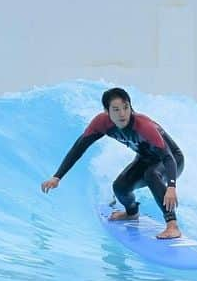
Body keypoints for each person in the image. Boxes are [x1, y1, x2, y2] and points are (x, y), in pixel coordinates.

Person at [41, 87, 184, 240]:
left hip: (172, 159)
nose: (122, 114)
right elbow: (78, 148)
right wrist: (57, 177)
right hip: (145, 158)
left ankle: (172, 225)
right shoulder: (101, 123)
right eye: (116, 109)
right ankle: (132, 213)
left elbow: (168, 157)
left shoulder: (144, 126)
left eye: (125, 107)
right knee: (120, 187)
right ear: (106, 111)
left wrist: (171, 186)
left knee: (151, 174)